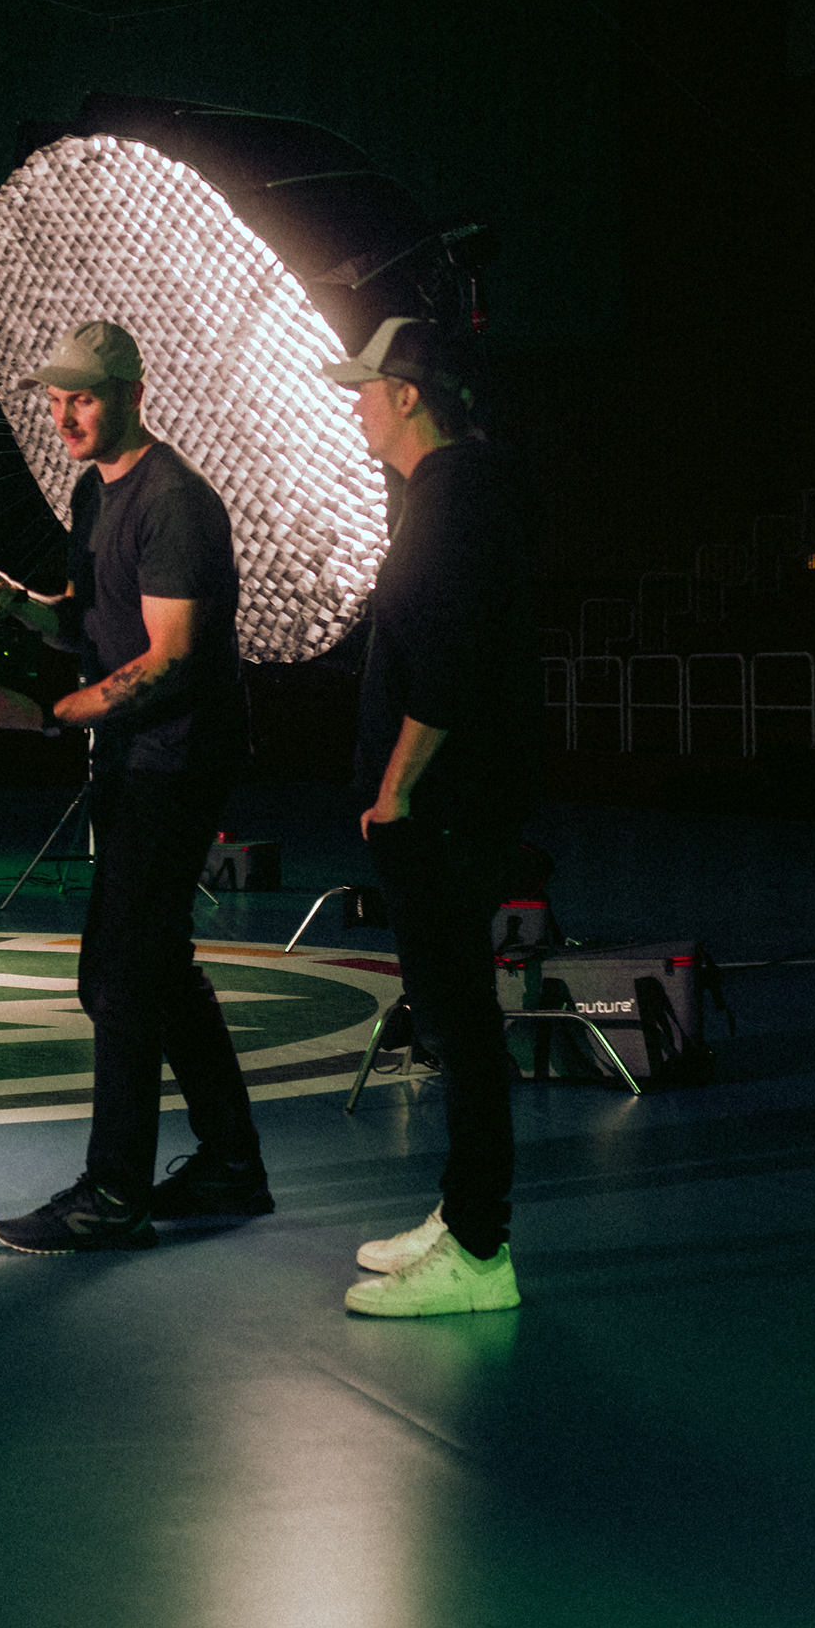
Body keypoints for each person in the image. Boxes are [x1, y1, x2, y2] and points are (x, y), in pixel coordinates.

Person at [0, 320, 264, 1251]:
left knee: (120, 979)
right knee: (150, 966)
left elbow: (170, 659)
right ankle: (231, 1162)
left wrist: (51, 716)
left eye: (81, 398)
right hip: (134, 754)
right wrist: (17, 602)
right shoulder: (95, 492)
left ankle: (115, 1194)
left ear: (132, 393)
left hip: (178, 756)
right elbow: (91, 620)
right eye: (55, 399)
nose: (63, 417)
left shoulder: (176, 503)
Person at [327, 317, 541, 1318]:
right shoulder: (449, 493)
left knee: (460, 1025)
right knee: (454, 1022)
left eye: (366, 389)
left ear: (408, 394)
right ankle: (463, 1213)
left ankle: (481, 1249)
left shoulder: (455, 498)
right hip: (446, 808)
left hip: (446, 810)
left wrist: (398, 788)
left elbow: (451, 661)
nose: (357, 407)